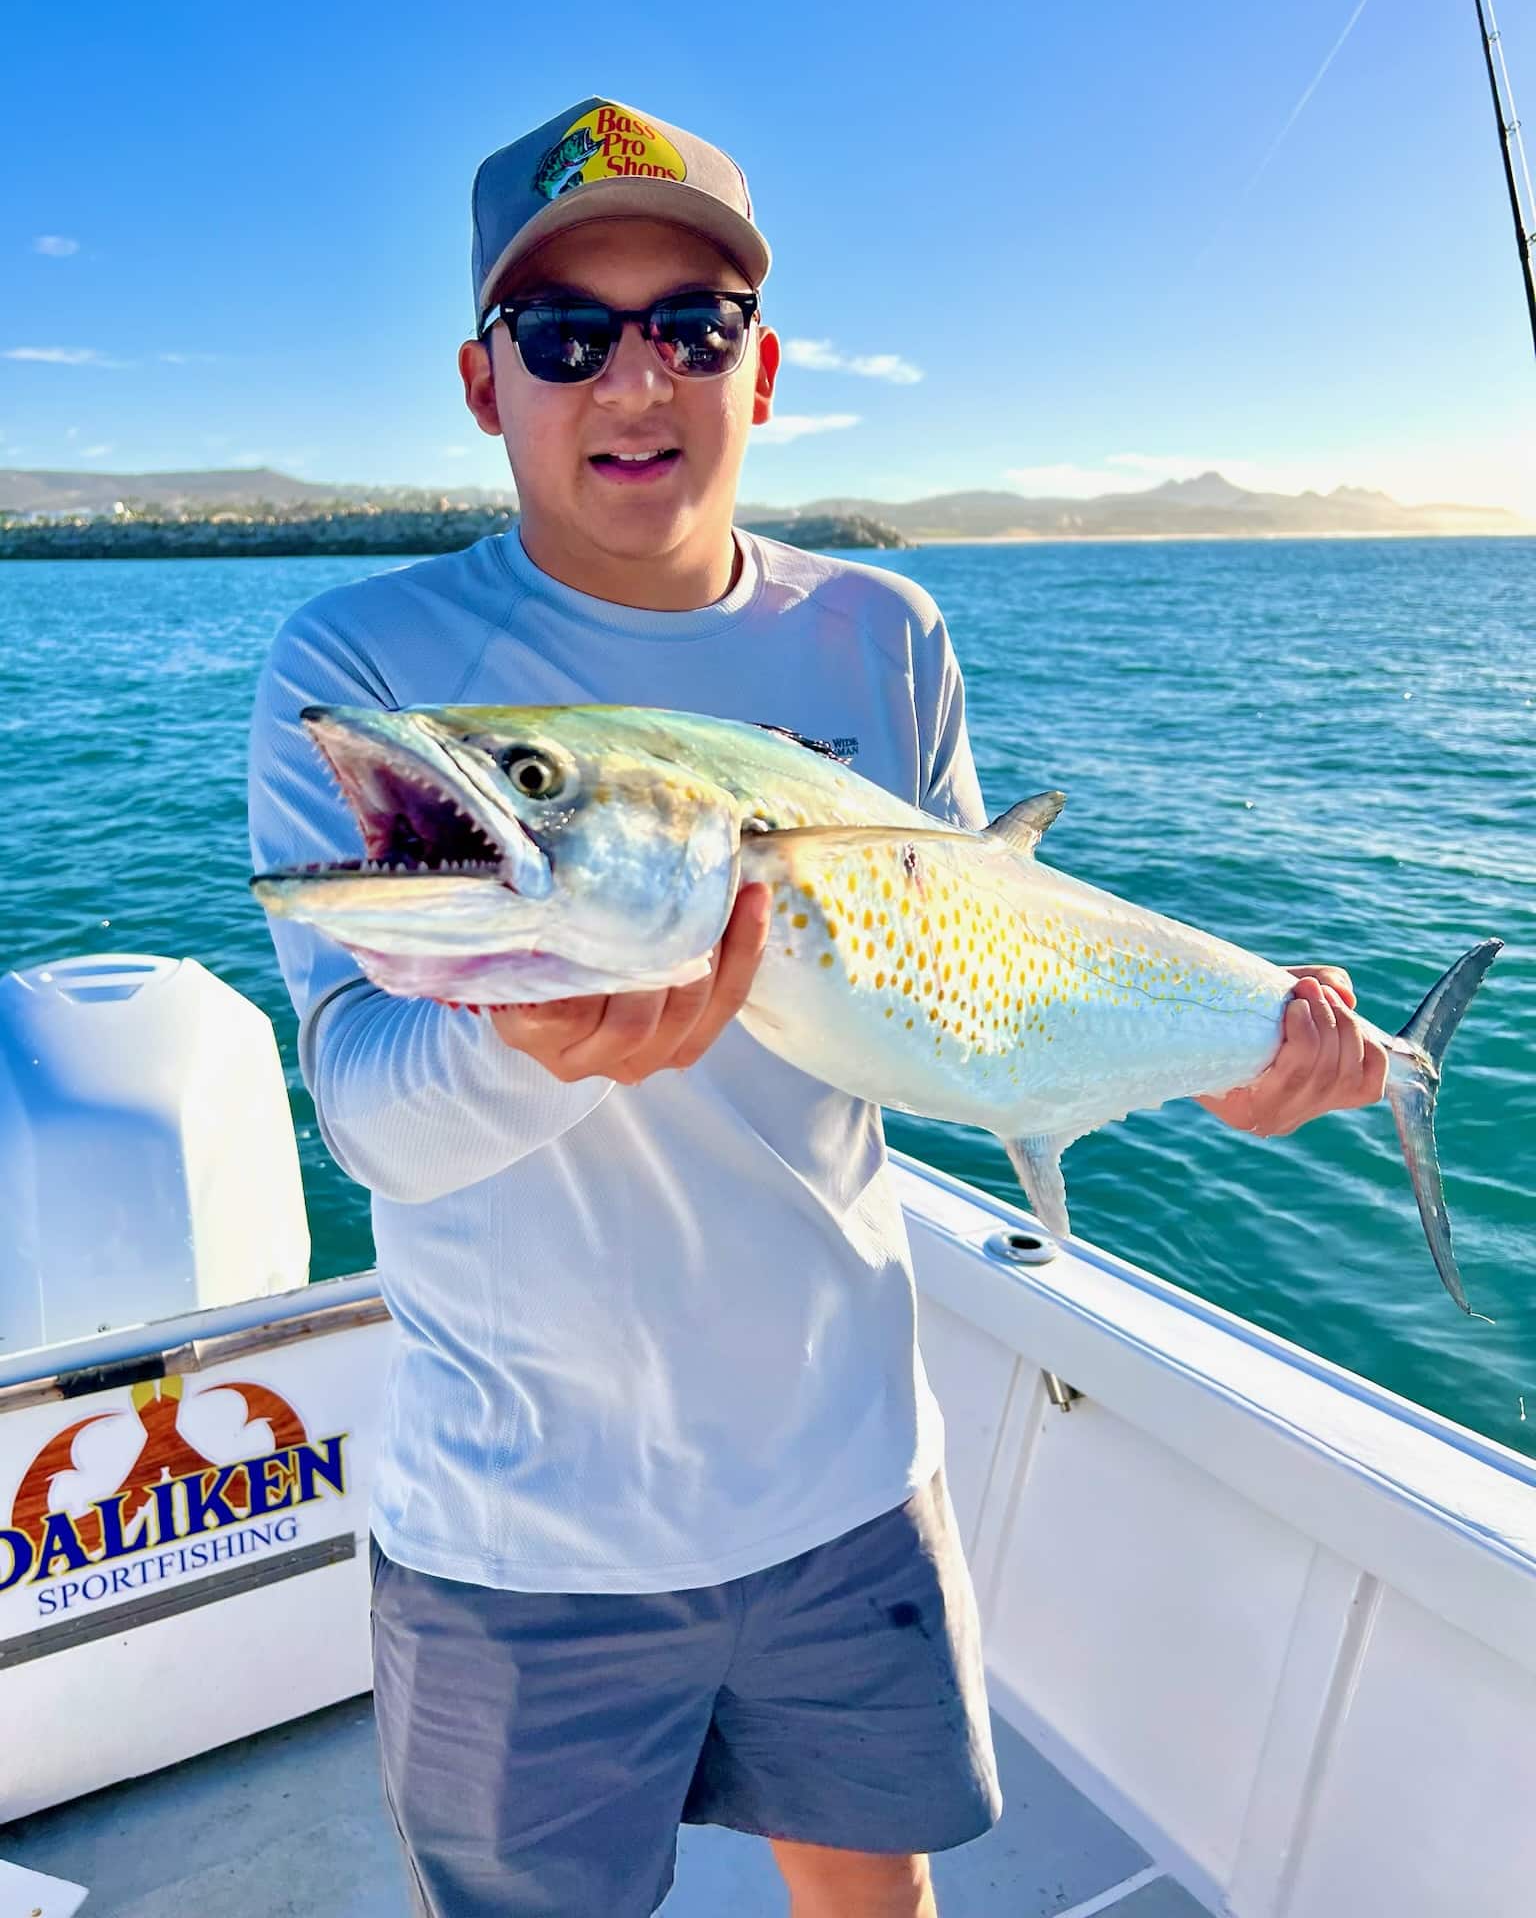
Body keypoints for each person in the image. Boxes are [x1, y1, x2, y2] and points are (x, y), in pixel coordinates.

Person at [247, 97, 1389, 1918]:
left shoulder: (883, 635)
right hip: (519, 1530)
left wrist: (1216, 1065)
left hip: (846, 1472)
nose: (636, 382)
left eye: (688, 328)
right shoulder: (368, 678)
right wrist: (526, 1048)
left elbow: (962, 981)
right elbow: (368, 1107)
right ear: (485, 382)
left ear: (759, 369)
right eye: (567, 336)